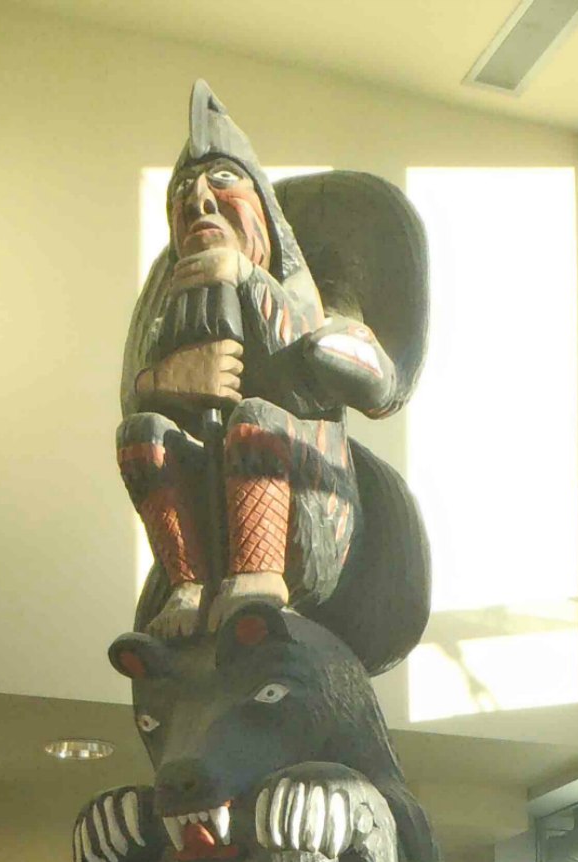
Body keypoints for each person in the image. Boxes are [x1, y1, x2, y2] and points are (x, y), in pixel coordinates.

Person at [118, 81, 424, 644]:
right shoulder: (176, 312)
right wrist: (162, 381)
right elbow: (138, 399)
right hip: (209, 536)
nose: (199, 202)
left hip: (304, 517)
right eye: (183, 195)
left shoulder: (306, 296)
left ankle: (258, 578)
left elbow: (368, 377)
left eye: (223, 181)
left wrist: (244, 277)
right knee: (144, 433)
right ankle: (185, 584)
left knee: (257, 416)